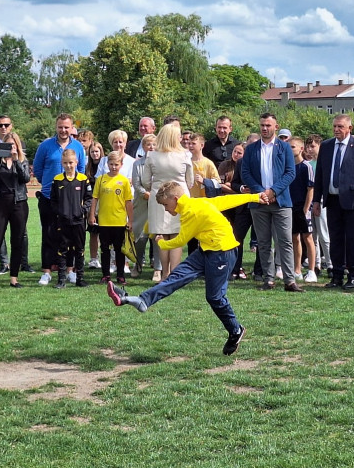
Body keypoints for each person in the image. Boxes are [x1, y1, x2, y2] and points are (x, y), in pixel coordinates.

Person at [106, 181, 269, 356]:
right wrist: (254, 197)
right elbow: (225, 201)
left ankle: (236, 330)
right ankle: (144, 301)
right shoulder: (197, 202)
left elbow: (180, 240)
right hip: (206, 250)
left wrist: (161, 242)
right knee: (176, 276)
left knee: (215, 298)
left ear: (175, 199)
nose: (167, 210)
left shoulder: (191, 212)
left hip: (223, 253)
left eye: (166, 205)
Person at [311, 115, 354, 290]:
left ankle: (353, 275)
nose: (337, 129)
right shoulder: (327, 146)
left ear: (350, 128)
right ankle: (337, 274)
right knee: (335, 239)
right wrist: (316, 199)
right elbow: (320, 174)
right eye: (335, 126)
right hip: (332, 200)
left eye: (340, 126)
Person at [242, 113, 300, 292]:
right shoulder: (251, 149)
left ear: (276, 126)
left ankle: (289, 280)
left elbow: (290, 173)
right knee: (263, 242)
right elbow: (245, 172)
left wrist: (273, 191)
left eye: (268, 125)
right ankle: (269, 279)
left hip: (281, 201)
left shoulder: (284, 148)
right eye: (262, 125)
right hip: (259, 202)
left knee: (284, 241)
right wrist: (261, 192)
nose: (264, 128)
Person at [32, 113, 87, 285]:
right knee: (48, 235)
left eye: (66, 127)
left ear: (71, 128)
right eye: (60, 127)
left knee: (70, 237)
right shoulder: (45, 145)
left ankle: (70, 271)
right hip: (49, 198)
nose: (63, 130)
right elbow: (38, 169)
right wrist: (48, 184)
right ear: (56, 127)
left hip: (71, 201)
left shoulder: (78, 146)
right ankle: (47, 271)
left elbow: (82, 169)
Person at [141, 122, 194, 281]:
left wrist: (156, 185)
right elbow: (190, 181)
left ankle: (164, 273)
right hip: (180, 196)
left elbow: (145, 181)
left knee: (162, 236)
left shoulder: (152, 155)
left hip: (159, 198)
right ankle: (175, 274)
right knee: (177, 235)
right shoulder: (185, 155)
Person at [0, 132, 29, 288]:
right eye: (7, 145)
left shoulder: (22, 160)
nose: (10, 148)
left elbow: (25, 178)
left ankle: (14, 277)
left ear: (17, 146)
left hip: (19, 204)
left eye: (12, 145)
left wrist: (15, 160)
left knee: (17, 241)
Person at [90, 151, 134, 285]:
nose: (113, 167)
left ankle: (120, 275)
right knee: (104, 249)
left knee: (119, 249)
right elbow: (95, 198)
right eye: (111, 164)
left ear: (121, 165)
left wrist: (130, 220)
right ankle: (106, 275)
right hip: (104, 221)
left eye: (116, 164)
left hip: (119, 221)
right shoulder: (101, 179)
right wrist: (92, 215)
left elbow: (128, 202)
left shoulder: (124, 181)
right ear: (107, 164)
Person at [51, 148, 91, 288]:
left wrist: (82, 210)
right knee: (62, 250)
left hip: (79, 221)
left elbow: (89, 199)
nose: (68, 165)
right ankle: (61, 280)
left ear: (76, 162)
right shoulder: (57, 180)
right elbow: (53, 200)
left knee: (79, 249)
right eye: (66, 163)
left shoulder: (83, 179)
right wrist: (60, 211)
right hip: (63, 221)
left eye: (71, 163)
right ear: (62, 163)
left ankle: (80, 278)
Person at [218, 142, 255, 281]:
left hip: (260, 205)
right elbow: (234, 183)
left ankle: (259, 271)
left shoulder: (263, 161)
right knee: (236, 238)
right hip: (243, 207)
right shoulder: (241, 163)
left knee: (261, 241)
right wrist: (241, 189)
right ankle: (235, 268)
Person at [131, 133, 160, 278]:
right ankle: (137, 264)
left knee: (157, 235)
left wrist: (155, 195)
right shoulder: (137, 164)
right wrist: (145, 193)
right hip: (142, 203)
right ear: (143, 147)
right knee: (140, 237)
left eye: (154, 144)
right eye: (148, 144)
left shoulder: (161, 163)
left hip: (159, 203)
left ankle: (158, 269)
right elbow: (136, 184)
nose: (152, 147)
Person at [288, 137, 317, 283]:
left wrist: (306, 210)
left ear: (301, 149)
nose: (290, 149)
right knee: (294, 238)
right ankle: (297, 269)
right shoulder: (287, 167)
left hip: (303, 208)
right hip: (290, 208)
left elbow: (310, 189)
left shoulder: (307, 167)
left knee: (308, 237)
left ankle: (312, 270)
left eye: (292, 147)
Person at [304, 134, 328, 274]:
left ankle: (330, 263)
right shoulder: (307, 164)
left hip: (321, 200)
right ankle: (316, 263)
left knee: (324, 234)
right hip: (310, 202)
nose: (310, 149)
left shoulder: (324, 162)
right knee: (312, 235)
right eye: (308, 146)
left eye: (313, 146)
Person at [85, 140, 104, 270]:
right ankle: (93, 259)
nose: (95, 154)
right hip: (92, 202)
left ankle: (107, 258)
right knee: (93, 232)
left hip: (104, 202)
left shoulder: (106, 165)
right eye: (92, 152)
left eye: (97, 151)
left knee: (106, 233)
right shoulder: (87, 167)